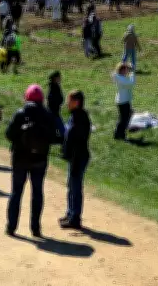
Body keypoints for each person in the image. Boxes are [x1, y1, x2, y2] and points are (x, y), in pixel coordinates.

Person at [5, 84, 63, 237]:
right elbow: (55, 137)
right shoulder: (48, 115)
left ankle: (11, 226)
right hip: (40, 159)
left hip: (20, 158)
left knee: (16, 192)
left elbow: (9, 134)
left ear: (27, 97)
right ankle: (35, 228)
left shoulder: (20, 113)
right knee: (37, 193)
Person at [60, 90, 92, 229]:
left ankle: (75, 218)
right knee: (71, 186)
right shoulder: (74, 116)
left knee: (76, 187)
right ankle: (70, 213)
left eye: (70, 100)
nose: (67, 103)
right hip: (74, 157)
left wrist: (72, 157)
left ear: (76, 102)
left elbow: (77, 140)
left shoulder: (81, 118)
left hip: (78, 157)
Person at [112, 62, 135, 141]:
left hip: (124, 100)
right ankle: (119, 134)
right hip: (123, 101)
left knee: (125, 117)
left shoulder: (121, 77)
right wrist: (132, 73)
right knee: (123, 119)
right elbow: (131, 83)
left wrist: (130, 71)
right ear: (122, 70)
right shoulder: (121, 78)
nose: (127, 71)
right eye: (126, 69)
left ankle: (119, 133)